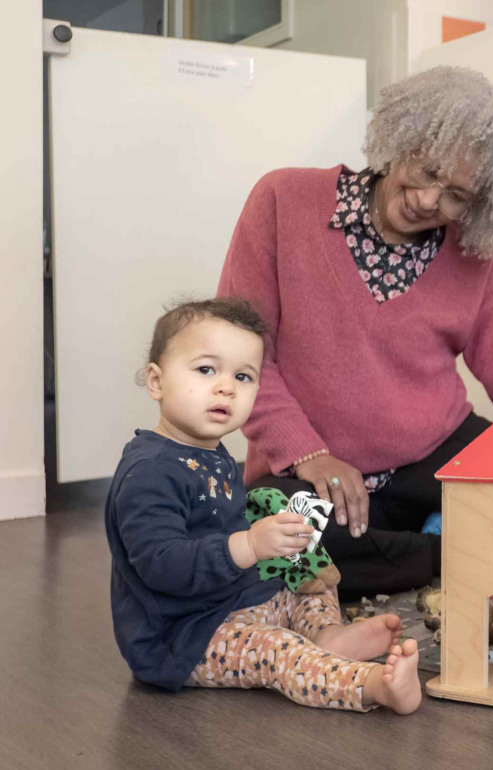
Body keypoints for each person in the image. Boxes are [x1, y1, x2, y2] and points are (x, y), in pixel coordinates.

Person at [218, 66, 493, 600]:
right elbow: (241, 357)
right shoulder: (283, 199)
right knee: (276, 543)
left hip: (432, 454)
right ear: (402, 137)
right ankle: (451, 552)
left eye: (456, 195)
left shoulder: (472, 257)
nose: (429, 200)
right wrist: (309, 455)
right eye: (427, 170)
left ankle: (417, 547)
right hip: (310, 469)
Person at [104, 298, 421, 713]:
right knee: (277, 650)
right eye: (206, 370)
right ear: (156, 382)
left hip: (236, 602)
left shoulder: (213, 455)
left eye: (243, 376)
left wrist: (275, 538)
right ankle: (371, 685)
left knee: (311, 576)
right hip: (184, 636)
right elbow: (163, 565)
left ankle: (328, 635)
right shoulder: (149, 473)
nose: (226, 387)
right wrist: (250, 545)